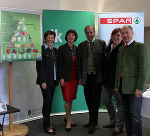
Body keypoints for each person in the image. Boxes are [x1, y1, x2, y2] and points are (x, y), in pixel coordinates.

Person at [115, 25, 149, 136]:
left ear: (132, 33)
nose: (124, 35)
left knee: (135, 116)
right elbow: (118, 69)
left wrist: (140, 87)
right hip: (122, 88)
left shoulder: (140, 47)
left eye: (127, 32)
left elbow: (143, 69)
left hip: (135, 88)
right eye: (122, 33)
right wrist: (116, 85)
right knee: (126, 115)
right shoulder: (120, 49)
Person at [78, 25, 106, 134]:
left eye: (91, 32)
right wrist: (80, 77)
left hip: (97, 78)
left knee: (95, 101)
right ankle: (92, 120)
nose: (89, 34)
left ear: (94, 32)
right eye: (87, 33)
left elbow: (104, 62)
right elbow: (79, 63)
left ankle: (92, 123)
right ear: (85, 33)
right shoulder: (81, 46)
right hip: (86, 78)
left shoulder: (102, 44)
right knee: (89, 101)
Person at [102, 28, 124, 135]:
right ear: (111, 36)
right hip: (106, 81)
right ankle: (113, 121)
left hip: (117, 82)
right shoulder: (108, 47)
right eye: (114, 35)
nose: (116, 37)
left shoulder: (123, 48)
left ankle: (119, 126)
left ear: (122, 37)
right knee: (107, 101)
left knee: (120, 104)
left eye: (118, 35)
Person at [36, 30, 58, 135]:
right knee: (47, 102)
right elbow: (39, 67)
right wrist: (42, 81)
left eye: (52, 37)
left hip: (53, 81)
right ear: (45, 38)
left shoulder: (54, 50)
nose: (50, 39)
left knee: (49, 102)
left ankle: (47, 122)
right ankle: (47, 125)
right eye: (48, 37)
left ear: (54, 39)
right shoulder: (41, 49)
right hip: (45, 81)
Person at [58, 29, 78, 132]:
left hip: (74, 78)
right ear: (66, 37)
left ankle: (67, 117)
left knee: (71, 99)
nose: (71, 37)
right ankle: (69, 120)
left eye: (73, 35)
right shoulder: (62, 48)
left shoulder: (76, 48)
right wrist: (61, 77)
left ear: (75, 37)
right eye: (69, 35)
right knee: (67, 99)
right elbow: (59, 65)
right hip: (65, 78)